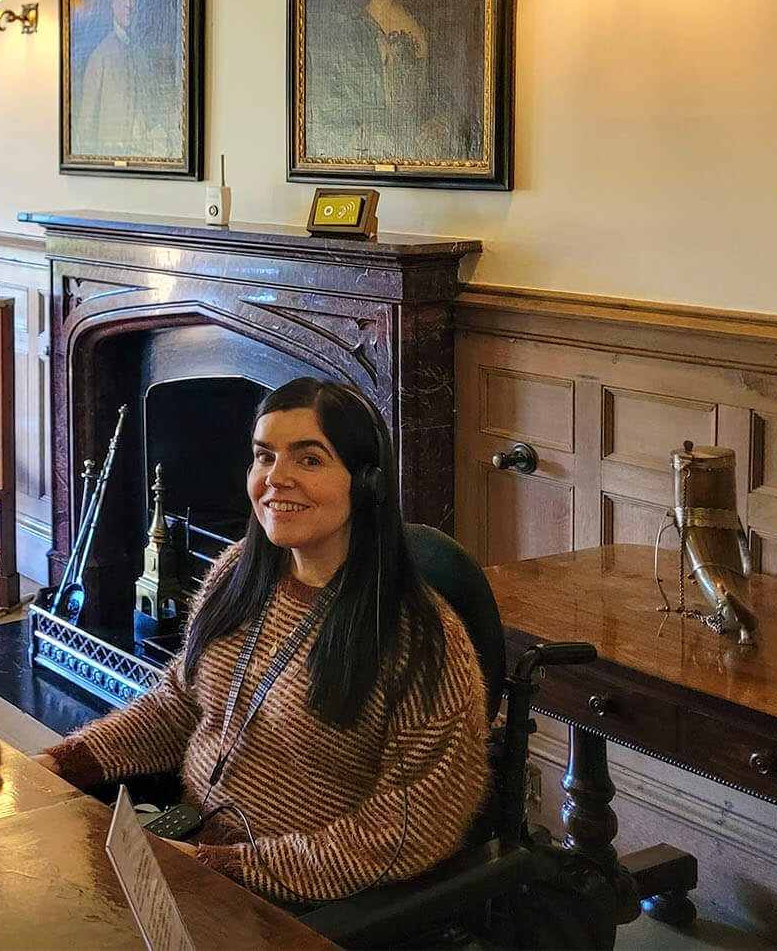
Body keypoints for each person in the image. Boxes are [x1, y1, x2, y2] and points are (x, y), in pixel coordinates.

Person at [36, 378, 490, 903]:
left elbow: (411, 828)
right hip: (197, 849)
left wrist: (228, 867)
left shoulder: (419, 639)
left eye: (309, 460)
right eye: (263, 457)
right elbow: (182, 705)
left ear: (366, 483)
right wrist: (66, 762)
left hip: (301, 898)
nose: (277, 479)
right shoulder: (237, 574)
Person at [314, 0, 466, 161]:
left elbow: (444, 98)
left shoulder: (422, 30)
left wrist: (443, 123)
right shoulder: (353, 31)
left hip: (418, 161)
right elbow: (329, 114)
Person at [74, 0, 176, 159]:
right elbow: (85, 131)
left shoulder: (143, 57)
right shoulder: (100, 57)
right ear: (111, 0)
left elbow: (156, 115)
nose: (128, 3)